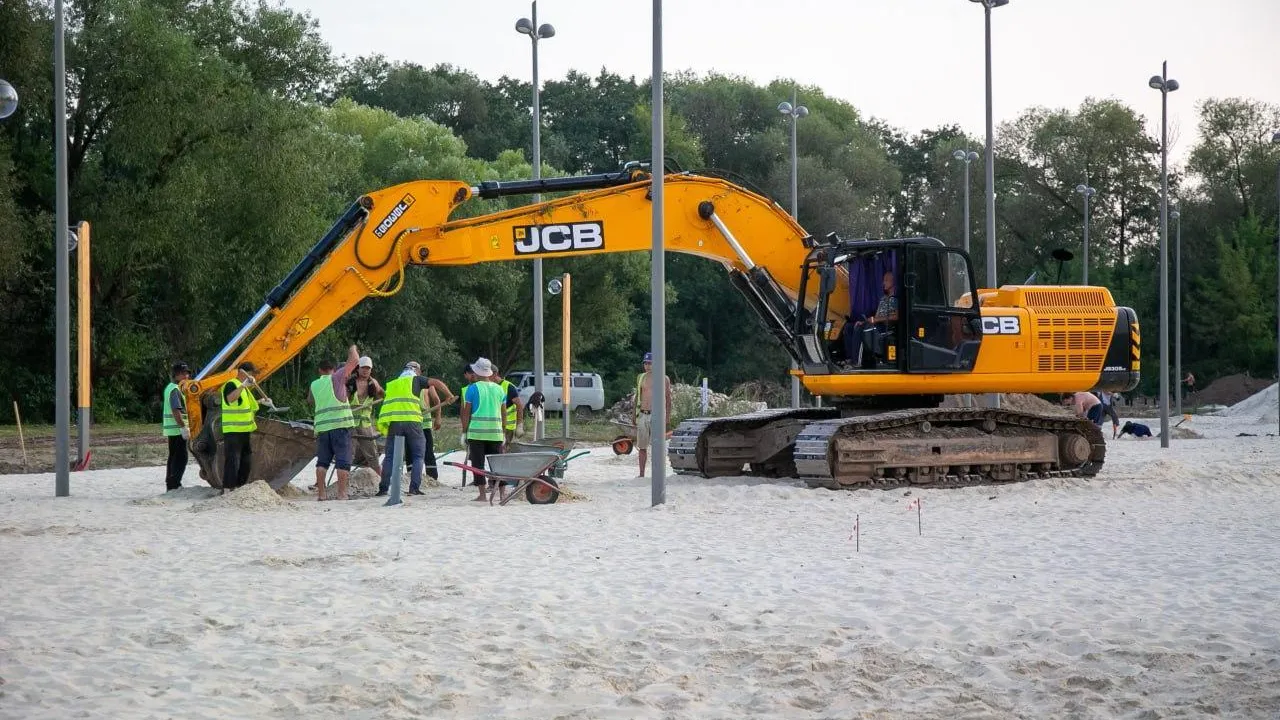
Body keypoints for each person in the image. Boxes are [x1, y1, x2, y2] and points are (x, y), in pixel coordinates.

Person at [308, 345, 360, 501]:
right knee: (343, 461)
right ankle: (342, 494)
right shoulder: (336, 378)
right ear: (334, 369)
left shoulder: (314, 384)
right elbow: (355, 360)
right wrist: (352, 347)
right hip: (340, 427)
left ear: (319, 370)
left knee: (322, 461)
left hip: (323, 428)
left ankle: (321, 494)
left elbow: (310, 400)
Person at [376, 361, 430, 497]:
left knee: (390, 456)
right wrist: (447, 395)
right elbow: (436, 383)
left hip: (395, 423)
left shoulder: (394, 384)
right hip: (413, 422)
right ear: (416, 371)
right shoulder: (416, 380)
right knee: (418, 455)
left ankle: (383, 488)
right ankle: (414, 488)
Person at [461, 357, 511, 502]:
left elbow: (466, 412)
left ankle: (482, 495)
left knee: (478, 465)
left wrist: (464, 432)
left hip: (477, 433)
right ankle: (502, 494)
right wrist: (503, 432)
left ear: (476, 372)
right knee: (497, 465)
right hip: (495, 433)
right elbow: (503, 413)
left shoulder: (472, 388)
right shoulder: (499, 389)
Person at [221, 362, 268, 492]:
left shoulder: (244, 388)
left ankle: (239, 487)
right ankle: (228, 488)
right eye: (252, 373)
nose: (253, 376)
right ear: (243, 372)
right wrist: (243, 385)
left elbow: (247, 406)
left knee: (245, 461)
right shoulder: (232, 384)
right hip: (233, 430)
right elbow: (230, 398)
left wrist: (262, 402)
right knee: (233, 460)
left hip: (244, 431)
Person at [407, 370, 456, 487]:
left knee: (428, 451)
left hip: (424, 424)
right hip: (411, 422)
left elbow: (436, 400)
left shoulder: (426, 385)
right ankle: (410, 477)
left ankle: (432, 478)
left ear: (419, 372)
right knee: (409, 451)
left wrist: (438, 418)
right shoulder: (406, 384)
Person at [634, 351, 673, 478]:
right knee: (642, 446)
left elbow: (668, 399)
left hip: (656, 415)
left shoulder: (664, 378)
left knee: (657, 446)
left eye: (650, 363)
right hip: (643, 414)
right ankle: (641, 474)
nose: (647, 366)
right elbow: (637, 397)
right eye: (645, 363)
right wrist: (634, 414)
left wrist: (667, 418)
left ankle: (658, 474)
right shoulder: (641, 377)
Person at [347, 356, 384, 475]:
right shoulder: (351, 383)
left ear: (371, 370)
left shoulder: (372, 383)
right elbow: (343, 399)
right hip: (350, 424)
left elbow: (383, 395)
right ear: (358, 368)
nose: (365, 370)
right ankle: (344, 482)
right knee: (348, 455)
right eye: (363, 368)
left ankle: (382, 481)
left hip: (365, 425)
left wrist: (378, 388)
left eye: (368, 368)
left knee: (372, 455)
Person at [162, 361, 191, 491]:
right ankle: (174, 484)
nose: (186, 376)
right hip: (177, 429)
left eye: (186, 373)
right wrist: (183, 427)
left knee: (173, 457)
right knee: (181, 458)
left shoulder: (170, 387)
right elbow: (176, 410)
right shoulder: (175, 390)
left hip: (172, 429)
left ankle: (171, 484)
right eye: (183, 374)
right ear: (177, 375)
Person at [492, 365, 525, 444]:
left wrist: (519, 425)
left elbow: (519, 405)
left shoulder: (509, 387)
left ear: (495, 374)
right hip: (494, 426)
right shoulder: (490, 386)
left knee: (503, 450)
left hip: (507, 427)